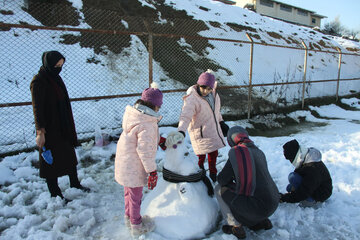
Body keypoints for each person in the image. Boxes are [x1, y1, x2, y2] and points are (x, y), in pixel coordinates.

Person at [30, 51, 90, 202]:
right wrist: (40, 131)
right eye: (56, 65)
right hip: (49, 128)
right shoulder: (39, 81)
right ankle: (55, 194)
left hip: (62, 126)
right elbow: (37, 108)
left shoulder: (55, 78)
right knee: (50, 162)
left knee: (69, 156)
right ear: (48, 64)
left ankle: (75, 184)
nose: (59, 68)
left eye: (61, 65)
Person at [114, 82, 163, 237]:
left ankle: (129, 218)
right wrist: (152, 171)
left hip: (125, 163)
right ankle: (136, 226)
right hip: (134, 166)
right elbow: (145, 151)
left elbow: (141, 140)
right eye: (159, 105)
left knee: (128, 193)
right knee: (136, 197)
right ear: (155, 106)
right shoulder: (147, 123)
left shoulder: (135, 115)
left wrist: (158, 140)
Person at [216, 126, 279, 239]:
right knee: (248, 192)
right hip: (273, 202)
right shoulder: (259, 151)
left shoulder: (237, 152)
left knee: (219, 189)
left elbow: (222, 179)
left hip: (258, 207)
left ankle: (235, 226)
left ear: (231, 140)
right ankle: (258, 222)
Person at [177, 69, 229, 182]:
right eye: (203, 87)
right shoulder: (192, 98)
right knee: (201, 156)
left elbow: (216, 111)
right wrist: (181, 130)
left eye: (209, 88)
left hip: (212, 130)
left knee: (213, 154)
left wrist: (221, 122)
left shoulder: (214, 94)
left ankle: (213, 174)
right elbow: (185, 116)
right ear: (198, 84)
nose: (206, 91)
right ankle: (200, 172)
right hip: (200, 132)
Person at [280, 139, 333, 206]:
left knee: (301, 197)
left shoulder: (312, 169)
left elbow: (303, 192)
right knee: (290, 186)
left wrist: (284, 198)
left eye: (290, 159)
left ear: (295, 156)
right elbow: (300, 172)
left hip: (321, 193)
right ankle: (304, 196)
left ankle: (313, 201)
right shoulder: (306, 157)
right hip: (313, 186)